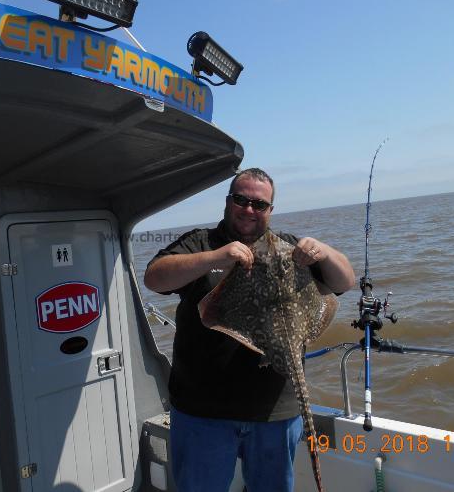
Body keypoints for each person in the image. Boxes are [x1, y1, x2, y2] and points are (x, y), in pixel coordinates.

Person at [144, 168, 355, 492]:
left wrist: (324, 252)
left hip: (276, 412)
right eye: (241, 200)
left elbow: (345, 282)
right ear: (228, 202)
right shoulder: (201, 242)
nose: (249, 209)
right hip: (202, 413)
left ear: (270, 210)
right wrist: (216, 257)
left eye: (259, 204)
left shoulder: (288, 250)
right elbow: (155, 278)